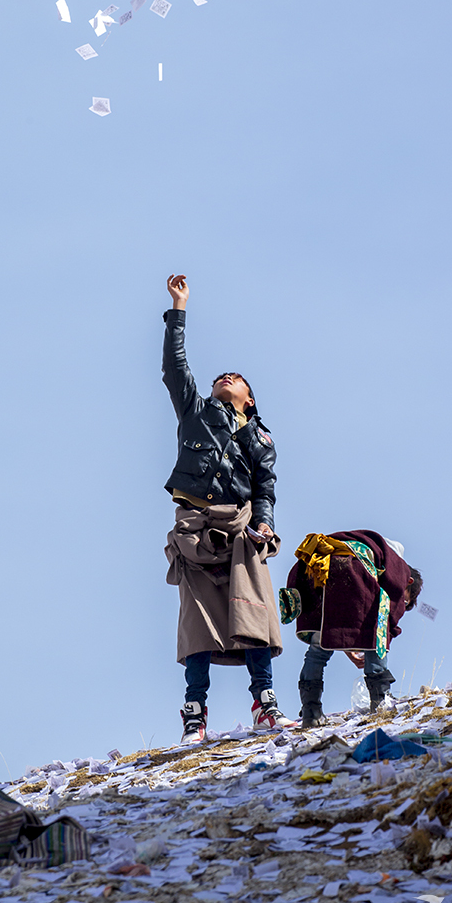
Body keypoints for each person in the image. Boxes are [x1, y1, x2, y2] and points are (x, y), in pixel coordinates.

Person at [162, 274, 293, 744]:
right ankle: (194, 713)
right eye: (221, 377)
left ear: (249, 400)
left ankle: (266, 703)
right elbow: (175, 369)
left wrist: (263, 524)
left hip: (241, 529)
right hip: (194, 528)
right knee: (197, 622)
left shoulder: (259, 438)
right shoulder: (195, 413)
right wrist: (179, 309)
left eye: (235, 380)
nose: (224, 378)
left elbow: (266, 487)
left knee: (253, 613)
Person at [281, 530, 422, 725]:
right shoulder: (398, 567)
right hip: (349, 570)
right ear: (409, 582)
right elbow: (383, 619)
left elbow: (337, 622)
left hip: (313, 569)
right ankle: (381, 702)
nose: (401, 605)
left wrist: (349, 649)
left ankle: (310, 712)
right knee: (376, 631)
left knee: (318, 646)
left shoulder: (368, 550)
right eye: (405, 600)